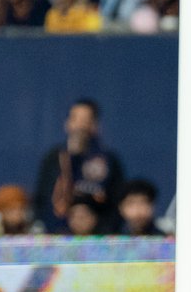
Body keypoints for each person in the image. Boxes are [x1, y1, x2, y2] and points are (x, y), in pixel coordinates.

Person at [33, 98, 124, 232]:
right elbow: (42, 200)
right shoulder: (53, 158)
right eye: (76, 119)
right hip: (59, 236)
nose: (80, 125)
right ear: (67, 123)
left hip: (98, 239)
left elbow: (117, 204)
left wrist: (101, 230)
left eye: (86, 120)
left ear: (95, 125)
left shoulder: (109, 160)